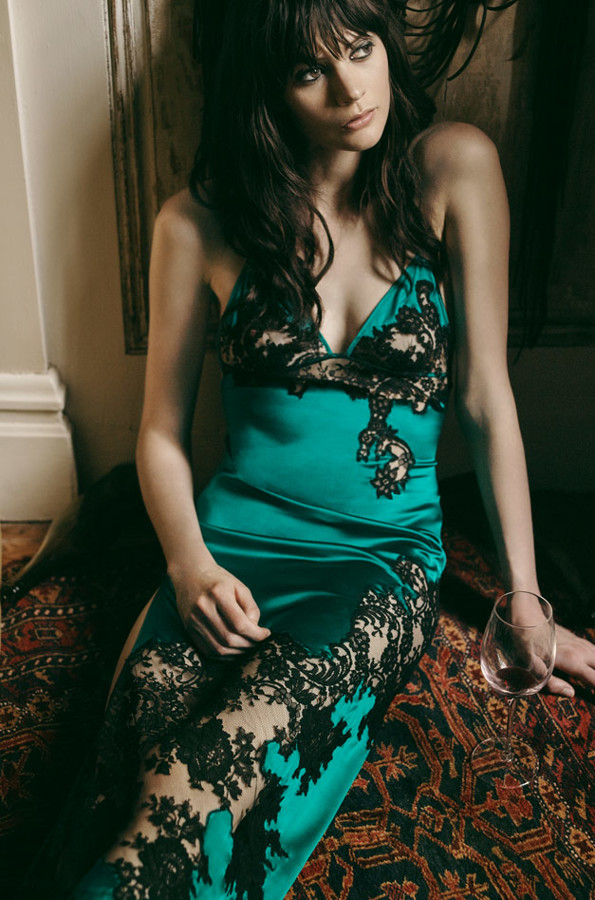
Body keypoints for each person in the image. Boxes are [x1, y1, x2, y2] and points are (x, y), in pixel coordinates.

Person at [44, 0, 595, 897]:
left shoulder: (453, 165)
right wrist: (187, 566)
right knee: (119, 785)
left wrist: (524, 603)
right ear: (266, 89)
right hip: (226, 553)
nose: (350, 89)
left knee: (192, 786)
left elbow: (484, 399)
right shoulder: (195, 222)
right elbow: (160, 434)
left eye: (359, 48)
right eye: (310, 70)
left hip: (375, 560)